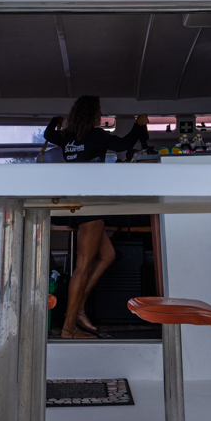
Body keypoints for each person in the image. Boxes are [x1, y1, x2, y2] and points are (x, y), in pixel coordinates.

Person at [43, 96, 149, 339]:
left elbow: (48, 134)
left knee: (107, 255)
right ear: (93, 114)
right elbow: (124, 144)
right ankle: (69, 327)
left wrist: (55, 121)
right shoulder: (97, 135)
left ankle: (79, 308)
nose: (100, 115)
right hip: (91, 203)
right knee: (83, 267)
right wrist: (138, 124)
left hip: (75, 202)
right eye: (99, 112)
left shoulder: (66, 136)